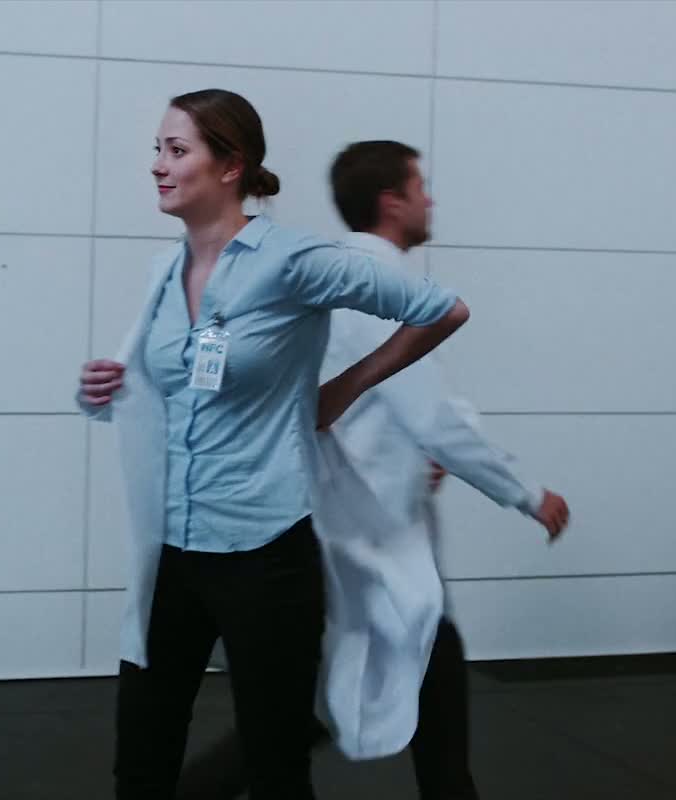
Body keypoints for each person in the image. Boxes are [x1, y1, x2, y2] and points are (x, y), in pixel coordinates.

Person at [77, 89, 471, 800]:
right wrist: (105, 386)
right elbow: (165, 389)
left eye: (176, 150)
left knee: (276, 768)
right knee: (139, 762)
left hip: (265, 557)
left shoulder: (294, 260)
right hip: (172, 550)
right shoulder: (165, 270)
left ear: (231, 166)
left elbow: (440, 309)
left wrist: (344, 389)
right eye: (157, 150)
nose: (158, 165)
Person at [176, 140, 570, 800]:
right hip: (370, 542)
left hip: (342, 535)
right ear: (391, 202)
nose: (430, 201)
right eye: (420, 188)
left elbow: (388, 407)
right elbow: (430, 413)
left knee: (306, 714)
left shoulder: (329, 277)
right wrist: (528, 494)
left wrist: (418, 453)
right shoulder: (372, 284)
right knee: (416, 708)